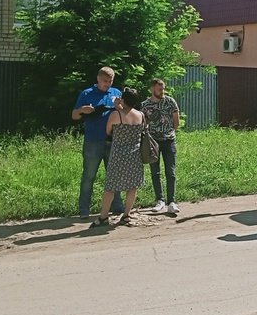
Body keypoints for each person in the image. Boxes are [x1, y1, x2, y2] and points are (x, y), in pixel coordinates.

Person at [71, 67, 124, 218]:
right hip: (93, 141)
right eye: (105, 81)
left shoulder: (116, 93)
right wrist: (82, 110)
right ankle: (84, 209)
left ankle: (117, 206)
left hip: (113, 140)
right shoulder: (87, 94)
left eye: (110, 81)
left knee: (114, 175)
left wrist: (119, 108)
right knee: (89, 176)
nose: (108, 84)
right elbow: (74, 115)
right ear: (98, 79)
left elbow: (124, 114)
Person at [90, 88, 145, 227]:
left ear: (124, 99)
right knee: (132, 186)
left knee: (111, 187)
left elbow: (108, 130)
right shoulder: (141, 115)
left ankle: (103, 217)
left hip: (118, 155)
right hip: (134, 155)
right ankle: (126, 215)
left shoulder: (116, 115)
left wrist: (118, 107)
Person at [142, 78, 180, 213]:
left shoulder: (170, 102)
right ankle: (160, 200)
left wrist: (170, 131)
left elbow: (176, 121)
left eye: (163, 88)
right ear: (152, 89)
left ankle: (172, 201)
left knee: (171, 171)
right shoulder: (145, 105)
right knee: (155, 171)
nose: (162, 91)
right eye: (159, 89)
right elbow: (144, 123)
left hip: (169, 140)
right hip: (153, 142)